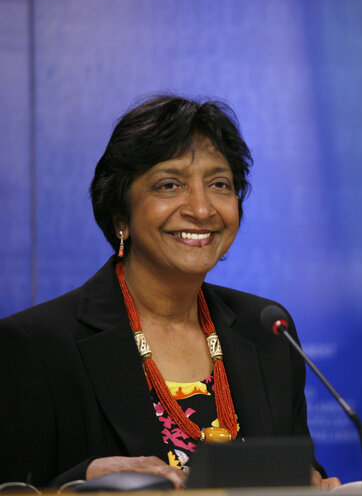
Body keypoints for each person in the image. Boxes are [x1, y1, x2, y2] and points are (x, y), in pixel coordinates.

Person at [0, 96, 340, 490]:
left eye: (219, 184)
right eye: (169, 184)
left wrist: (310, 482)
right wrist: (81, 482)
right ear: (120, 215)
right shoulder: (36, 345)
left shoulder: (266, 328)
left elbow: (295, 467)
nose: (201, 208)